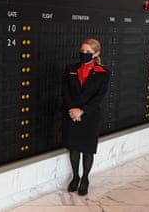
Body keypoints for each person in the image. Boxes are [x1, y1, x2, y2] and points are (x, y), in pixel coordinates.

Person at [62, 38, 110, 196]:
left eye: (88, 52)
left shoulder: (103, 73)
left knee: (87, 151)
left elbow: (99, 97)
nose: (84, 54)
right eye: (82, 51)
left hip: (89, 116)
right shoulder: (70, 68)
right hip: (72, 115)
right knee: (74, 149)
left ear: (96, 53)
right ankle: (75, 177)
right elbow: (66, 92)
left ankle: (85, 179)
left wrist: (82, 111)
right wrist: (72, 109)